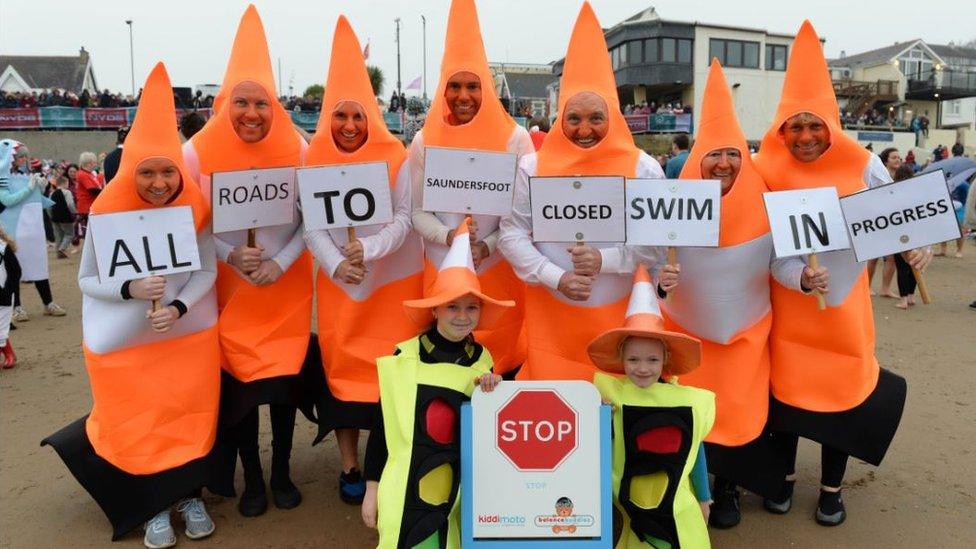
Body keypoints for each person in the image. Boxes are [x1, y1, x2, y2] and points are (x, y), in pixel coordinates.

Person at [753, 21, 930, 526]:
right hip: (789, 307)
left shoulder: (865, 164)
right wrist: (799, 279)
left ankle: (832, 488)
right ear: (781, 127)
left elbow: (900, 220)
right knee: (786, 399)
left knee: (841, 400)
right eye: (795, 126)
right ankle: (782, 480)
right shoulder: (765, 168)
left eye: (816, 125)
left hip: (845, 308)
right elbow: (761, 246)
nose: (805, 137)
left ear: (832, 124)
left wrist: (918, 252)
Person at [41, 62, 219, 548]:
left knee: (188, 411)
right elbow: (87, 279)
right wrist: (129, 291)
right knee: (141, 420)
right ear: (130, 172)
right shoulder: (105, 215)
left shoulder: (195, 212)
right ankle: (153, 505)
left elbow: (206, 271)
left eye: (168, 171)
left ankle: (190, 495)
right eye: (148, 172)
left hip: (184, 337)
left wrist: (178, 308)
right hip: (127, 345)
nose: (160, 182)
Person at [666, 60, 829, 529]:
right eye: (713, 153)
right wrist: (662, 281)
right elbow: (650, 257)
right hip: (687, 331)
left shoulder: (765, 204)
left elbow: (780, 261)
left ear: (744, 156)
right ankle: (690, 491)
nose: (723, 163)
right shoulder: (672, 200)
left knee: (738, 414)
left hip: (744, 333)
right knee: (692, 419)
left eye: (733, 153)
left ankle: (729, 488)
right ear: (697, 158)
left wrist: (802, 278)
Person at [499, 2, 674, 382]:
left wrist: (603, 260)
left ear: (612, 118)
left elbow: (655, 245)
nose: (584, 129)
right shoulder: (532, 167)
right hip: (550, 321)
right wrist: (553, 275)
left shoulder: (643, 168)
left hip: (620, 324)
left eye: (596, 118)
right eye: (573, 118)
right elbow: (511, 232)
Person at [182, 5, 312, 518]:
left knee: (281, 391)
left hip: (284, 290)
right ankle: (251, 478)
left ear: (273, 104)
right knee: (241, 397)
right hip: (228, 293)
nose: (252, 113)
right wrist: (231, 253)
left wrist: (280, 260)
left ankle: (281, 472)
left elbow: (313, 221)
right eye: (241, 102)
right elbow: (190, 228)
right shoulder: (195, 152)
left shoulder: (298, 149)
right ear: (225, 101)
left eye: (261, 102)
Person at [302, 15, 423, 506]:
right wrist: (336, 264)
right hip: (341, 290)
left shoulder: (397, 156)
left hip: (393, 286)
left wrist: (367, 251)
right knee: (341, 376)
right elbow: (312, 226)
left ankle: (386, 461)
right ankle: (348, 464)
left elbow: (405, 218)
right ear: (329, 118)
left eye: (358, 116)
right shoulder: (312, 160)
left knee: (388, 377)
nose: (350, 126)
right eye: (340, 116)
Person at [361, 218, 508, 548]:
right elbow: (381, 426)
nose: (462, 315)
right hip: (404, 486)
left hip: (455, 490)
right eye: (452, 306)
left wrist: (493, 391)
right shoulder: (405, 356)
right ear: (435, 311)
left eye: (471, 307)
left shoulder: (483, 360)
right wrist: (372, 488)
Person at [409, 0, 533, 381]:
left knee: (501, 363)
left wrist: (486, 245)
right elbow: (416, 212)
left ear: (488, 89)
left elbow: (521, 216)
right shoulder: (424, 140)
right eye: (455, 86)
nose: (464, 95)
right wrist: (451, 236)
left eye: (473, 86)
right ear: (443, 91)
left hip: (497, 269)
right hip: (442, 267)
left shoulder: (516, 138)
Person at [590, 266, 714, 548]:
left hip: (672, 506)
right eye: (633, 360)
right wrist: (600, 420)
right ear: (621, 357)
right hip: (624, 506)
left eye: (652, 360)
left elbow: (697, 453)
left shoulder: (684, 401)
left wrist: (704, 497)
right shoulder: (608, 398)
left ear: (665, 360)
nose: (643, 369)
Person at [1, 142, 65, 322]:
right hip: (13, 228)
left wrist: (41, 188)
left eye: (25, 156)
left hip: (34, 228)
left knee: (39, 263)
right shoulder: (2, 176)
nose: (24, 160)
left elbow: (37, 200)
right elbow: (7, 200)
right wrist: (30, 187)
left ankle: (48, 303)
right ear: (10, 158)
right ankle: (17, 307)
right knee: (14, 269)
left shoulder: (24, 174)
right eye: (20, 156)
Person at [866, 148, 901, 297]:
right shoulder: (876, 173)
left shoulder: (903, 175)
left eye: (899, 157)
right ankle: (867, 286)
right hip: (877, 217)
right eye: (894, 157)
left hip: (894, 218)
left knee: (892, 257)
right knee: (873, 255)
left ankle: (885, 288)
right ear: (886, 160)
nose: (897, 160)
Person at [0, 224, 19, 368]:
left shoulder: (3, 248)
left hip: (3, 295)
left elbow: (15, 271)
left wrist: (8, 290)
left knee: (1, 328)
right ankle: (9, 352)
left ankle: (9, 355)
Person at [74, 151, 103, 239]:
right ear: (89, 163)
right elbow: (92, 190)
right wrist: (104, 193)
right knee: (91, 232)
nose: (95, 164)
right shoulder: (83, 174)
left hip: (90, 206)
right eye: (94, 162)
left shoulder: (88, 174)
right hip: (86, 207)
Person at [48, 175, 76, 258]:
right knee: (69, 234)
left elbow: (48, 206)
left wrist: (51, 215)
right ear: (65, 183)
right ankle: (62, 249)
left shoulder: (52, 193)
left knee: (58, 235)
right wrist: (74, 212)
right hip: (65, 217)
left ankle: (59, 252)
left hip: (55, 217)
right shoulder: (67, 192)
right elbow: (70, 204)